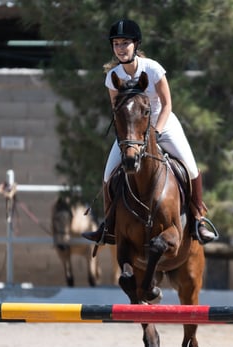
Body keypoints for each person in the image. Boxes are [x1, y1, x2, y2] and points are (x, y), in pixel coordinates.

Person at [83, 19, 217, 245]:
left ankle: (198, 220)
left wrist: (156, 131)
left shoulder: (153, 69)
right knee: (108, 175)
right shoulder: (112, 77)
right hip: (133, 131)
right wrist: (127, 137)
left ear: (136, 44)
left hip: (162, 123)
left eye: (125, 43)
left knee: (191, 168)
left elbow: (167, 105)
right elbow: (118, 112)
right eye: (116, 44)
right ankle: (109, 224)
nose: (121, 48)